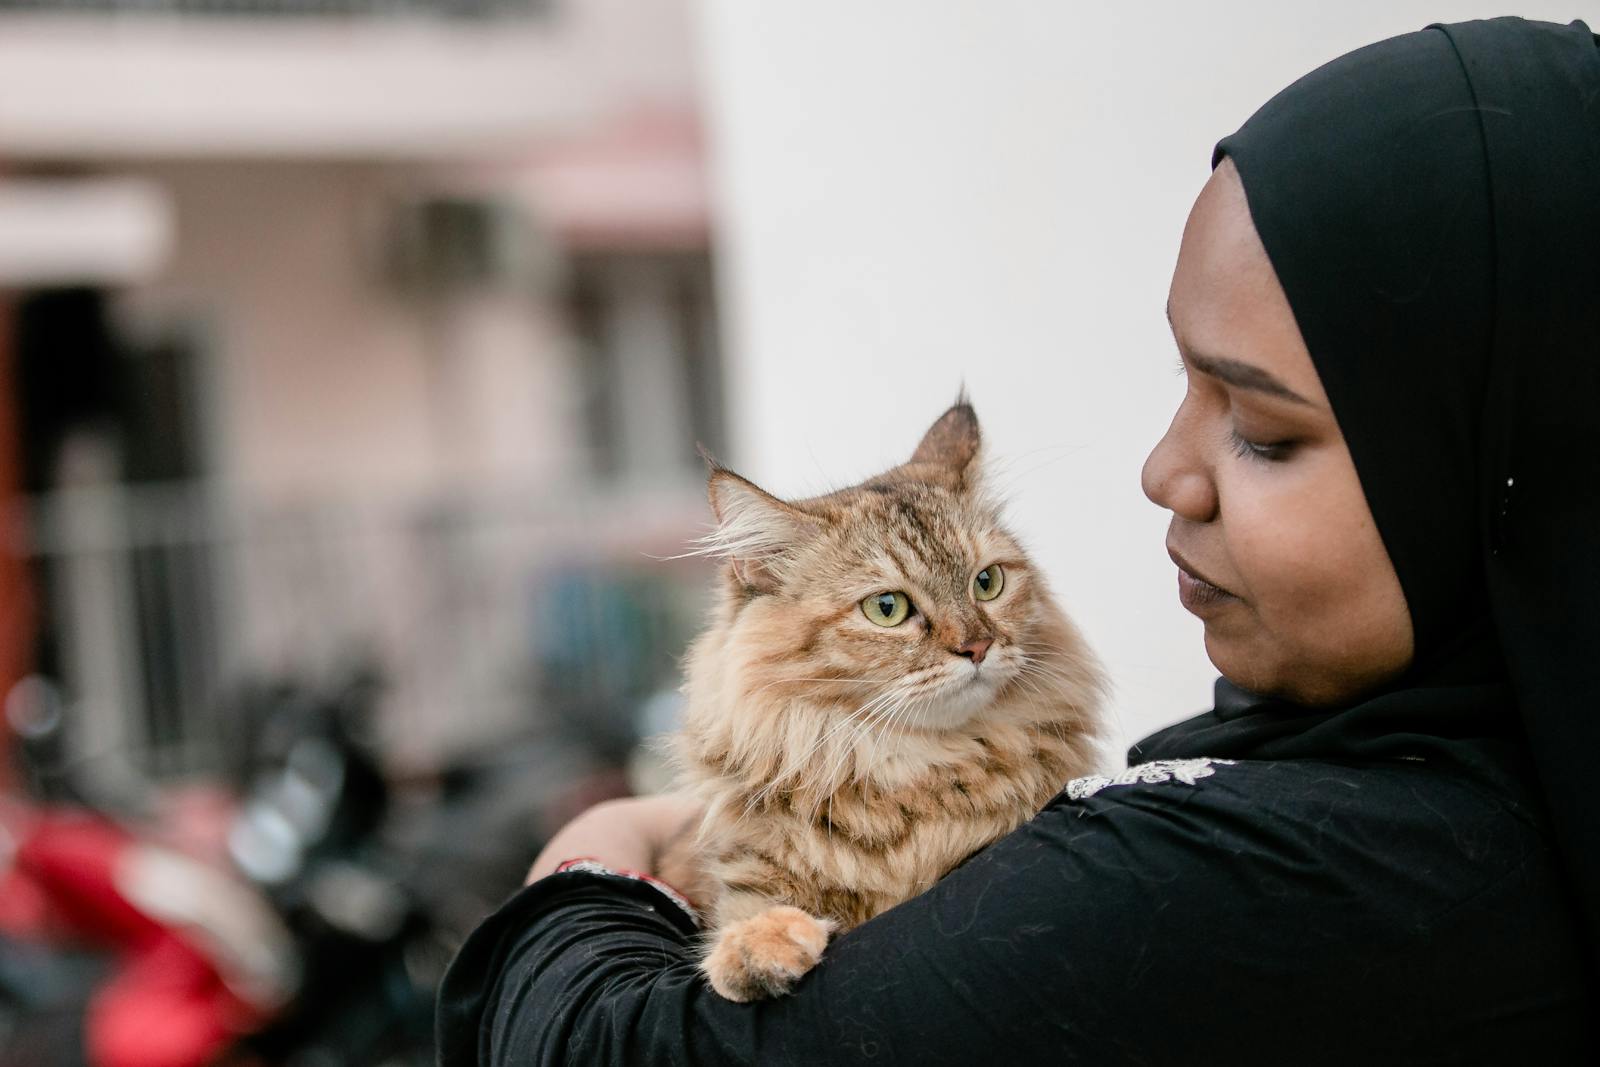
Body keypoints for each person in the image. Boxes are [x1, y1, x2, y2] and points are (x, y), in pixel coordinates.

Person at [435, 16, 1598, 1063]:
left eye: (1261, 427)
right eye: (1184, 384)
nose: (1162, 474)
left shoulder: (1234, 885)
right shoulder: (1492, 787)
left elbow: (608, 1049)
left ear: (1500, 455)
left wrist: (593, 854)